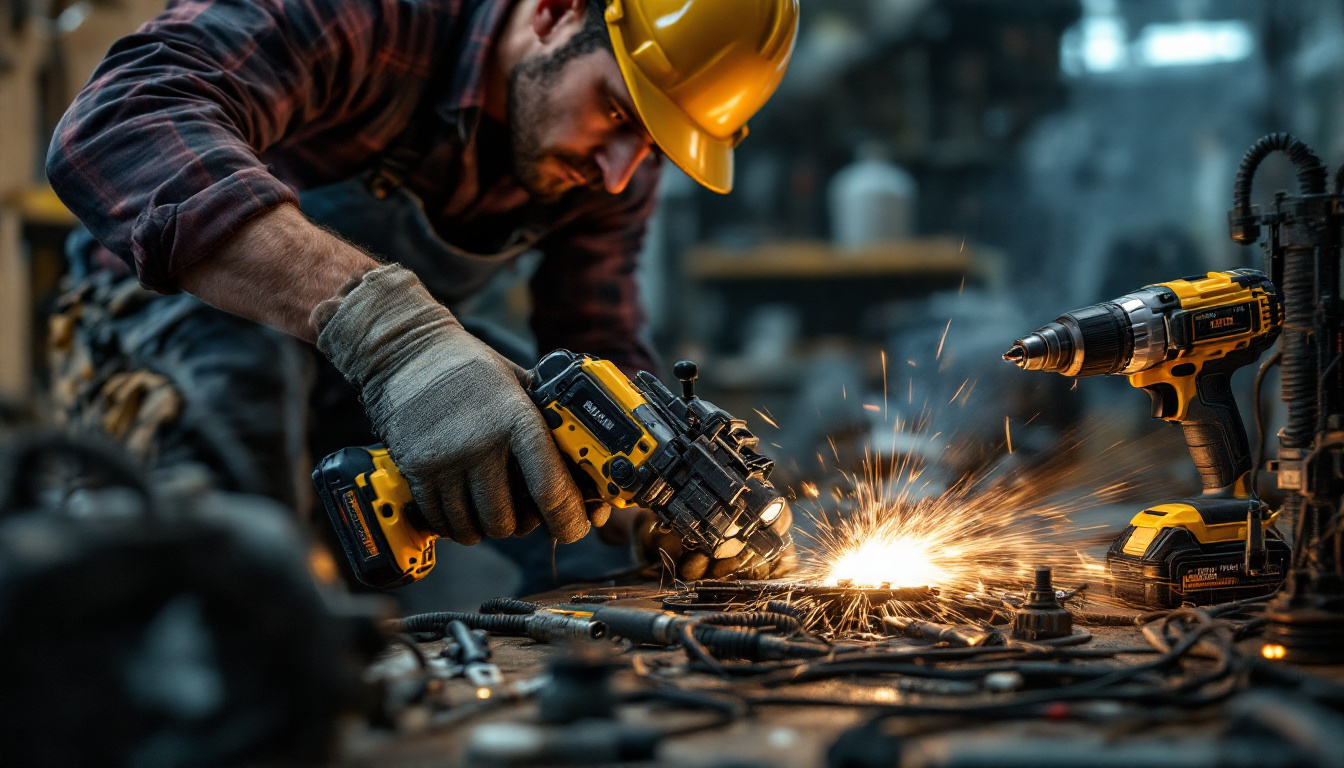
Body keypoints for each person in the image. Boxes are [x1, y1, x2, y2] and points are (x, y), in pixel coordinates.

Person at [46, 0, 800, 588]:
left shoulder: (610, 162)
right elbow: (117, 121)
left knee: (589, 522)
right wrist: (393, 337)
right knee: (250, 566)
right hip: (174, 318)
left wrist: (658, 484)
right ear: (553, 12)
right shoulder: (383, 19)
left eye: (654, 146)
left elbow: (592, 341)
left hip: (388, 361)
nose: (618, 172)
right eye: (618, 112)